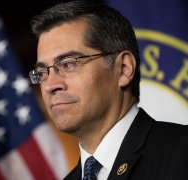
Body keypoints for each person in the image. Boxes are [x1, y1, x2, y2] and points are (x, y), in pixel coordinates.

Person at [28, 1, 188, 179]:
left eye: (68, 64)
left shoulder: (181, 153)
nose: (50, 85)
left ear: (123, 68)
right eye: (42, 72)